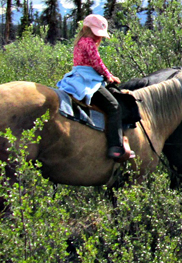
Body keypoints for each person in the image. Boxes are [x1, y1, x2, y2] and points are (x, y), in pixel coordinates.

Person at [57, 14, 134, 162]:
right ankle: (115, 147)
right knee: (114, 107)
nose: (98, 37)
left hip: (79, 76)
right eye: (95, 33)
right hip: (88, 80)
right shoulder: (89, 42)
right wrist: (109, 76)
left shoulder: (80, 41)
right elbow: (97, 63)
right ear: (86, 29)